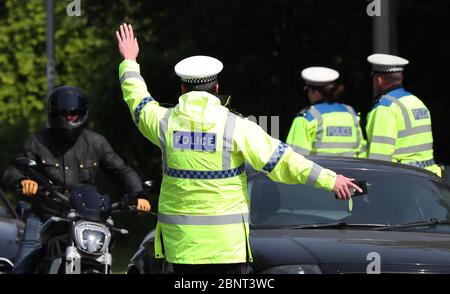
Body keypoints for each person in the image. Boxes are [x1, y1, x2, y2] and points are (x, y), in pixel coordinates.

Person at [115, 23, 361, 274]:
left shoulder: (164, 123)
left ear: (182, 88)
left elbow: (137, 101)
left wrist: (130, 61)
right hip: (227, 249)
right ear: (217, 89)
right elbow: (284, 162)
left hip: (181, 249)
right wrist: (331, 180)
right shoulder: (236, 127)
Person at [2, 85, 151, 274]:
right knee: (22, 270)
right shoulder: (37, 141)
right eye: (64, 114)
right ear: (53, 114)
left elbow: (121, 170)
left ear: (83, 114)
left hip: (85, 220)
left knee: (104, 257)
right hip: (44, 217)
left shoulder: (96, 142)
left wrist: (138, 195)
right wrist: (22, 181)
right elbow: (13, 170)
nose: (70, 118)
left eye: (74, 114)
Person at [365, 54, 441, 176]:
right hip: (428, 178)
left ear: (378, 80)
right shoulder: (416, 102)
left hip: (402, 179)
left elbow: (379, 160)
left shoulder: (385, 107)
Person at [286, 67, 366, 157]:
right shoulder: (351, 113)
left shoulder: (306, 117)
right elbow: (362, 153)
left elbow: (296, 158)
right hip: (352, 171)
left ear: (314, 92)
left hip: (320, 171)